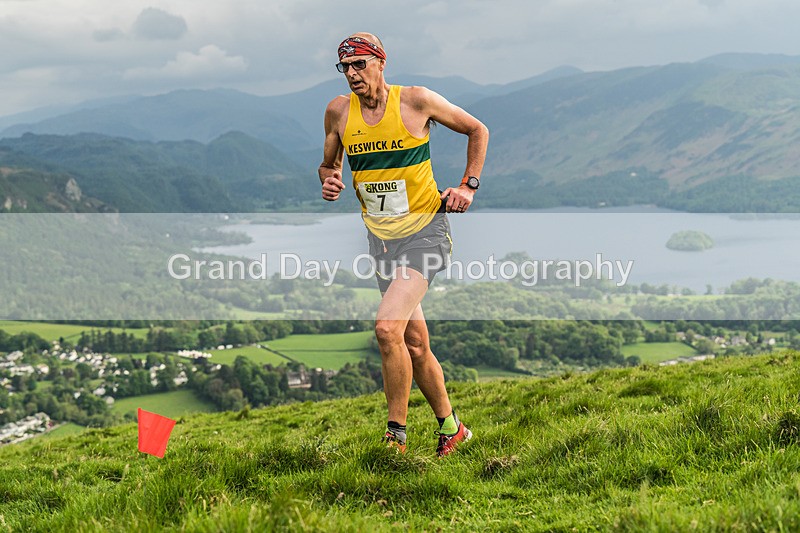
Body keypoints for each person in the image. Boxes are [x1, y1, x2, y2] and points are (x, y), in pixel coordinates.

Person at [318, 32, 489, 456]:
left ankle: (395, 437)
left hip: (426, 233)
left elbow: (477, 129)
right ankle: (452, 430)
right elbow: (327, 165)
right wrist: (330, 181)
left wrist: (468, 186)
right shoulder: (339, 112)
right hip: (381, 242)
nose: (353, 75)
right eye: (346, 68)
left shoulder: (415, 101)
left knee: (386, 328)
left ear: (381, 62)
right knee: (414, 343)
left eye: (360, 65)